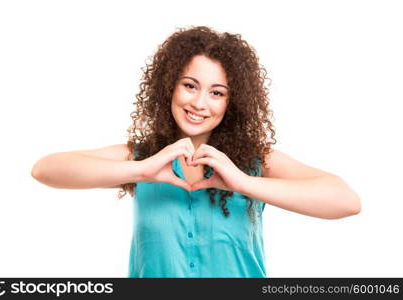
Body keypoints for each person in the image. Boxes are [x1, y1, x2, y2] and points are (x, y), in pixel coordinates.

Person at [31, 26, 361, 278]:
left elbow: (346, 201)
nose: (199, 103)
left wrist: (242, 183)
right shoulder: (143, 156)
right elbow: (46, 169)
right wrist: (141, 170)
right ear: (170, 86)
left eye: (216, 93)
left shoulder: (256, 161)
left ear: (232, 103)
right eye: (190, 85)